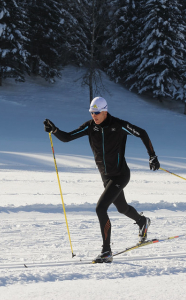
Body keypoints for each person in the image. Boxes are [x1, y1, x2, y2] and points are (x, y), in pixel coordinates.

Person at [43, 97, 160, 263]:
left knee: (101, 208)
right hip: (105, 175)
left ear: (105, 111)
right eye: (91, 112)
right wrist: (54, 130)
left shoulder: (118, 125)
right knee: (122, 208)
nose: (94, 116)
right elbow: (67, 137)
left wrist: (152, 156)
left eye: (97, 112)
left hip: (120, 174)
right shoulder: (90, 127)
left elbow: (142, 133)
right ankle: (142, 221)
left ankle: (106, 252)